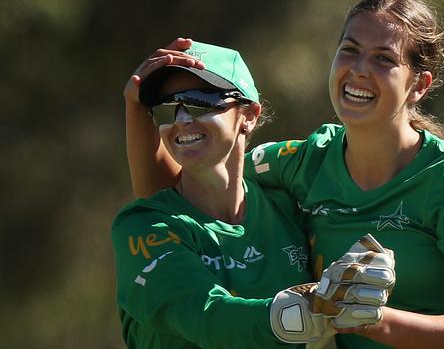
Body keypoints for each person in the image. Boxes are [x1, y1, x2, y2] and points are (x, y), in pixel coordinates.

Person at [127, 0, 444, 349]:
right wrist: (136, 105)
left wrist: (370, 319)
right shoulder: (304, 161)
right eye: (349, 50)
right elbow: (174, 195)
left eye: (383, 58)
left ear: (419, 86)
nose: (359, 69)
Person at [113, 41, 396, 348]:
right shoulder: (143, 226)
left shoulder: (287, 208)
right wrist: (300, 311)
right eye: (168, 107)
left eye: (200, 101)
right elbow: (201, 314)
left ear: (249, 115)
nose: (181, 119)